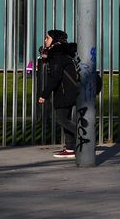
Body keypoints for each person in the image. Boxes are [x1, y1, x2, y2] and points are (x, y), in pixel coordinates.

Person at [36, 30, 79, 159]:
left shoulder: (57, 55)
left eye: (47, 38)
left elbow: (55, 77)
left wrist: (44, 94)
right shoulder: (62, 54)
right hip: (68, 91)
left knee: (61, 119)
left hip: (65, 92)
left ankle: (86, 136)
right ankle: (71, 149)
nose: (45, 40)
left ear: (55, 40)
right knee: (65, 118)